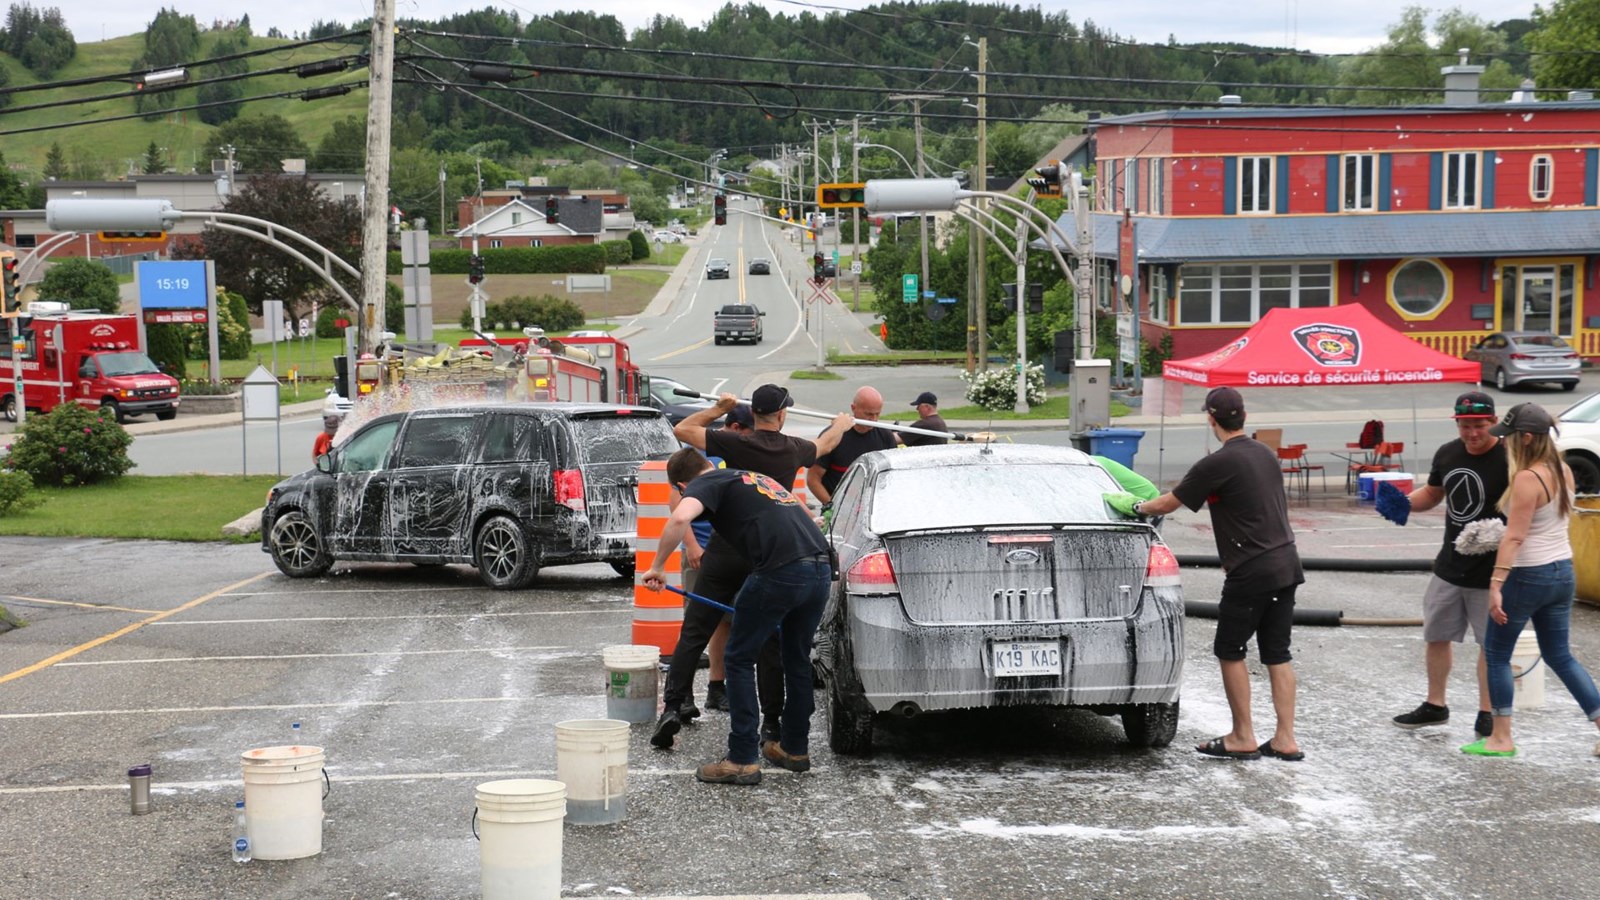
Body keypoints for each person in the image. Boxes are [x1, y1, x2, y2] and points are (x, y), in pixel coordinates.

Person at [1111, 386, 1304, 762]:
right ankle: (1285, 738)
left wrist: (1134, 505)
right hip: (1286, 563)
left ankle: (1243, 736)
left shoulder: (1216, 464)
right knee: (1277, 654)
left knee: (1229, 650)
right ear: (1244, 417)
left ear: (1211, 419)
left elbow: (1168, 503)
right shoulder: (1265, 454)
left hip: (1250, 570)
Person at [652, 385, 851, 750]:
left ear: (753, 414)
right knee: (769, 639)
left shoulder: (734, 443)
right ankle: (771, 724)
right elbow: (825, 446)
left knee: (697, 626)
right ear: (782, 415)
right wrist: (842, 423)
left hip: (725, 547)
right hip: (766, 553)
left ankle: (674, 705)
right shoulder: (793, 448)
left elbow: (683, 432)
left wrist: (718, 408)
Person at [643, 447, 835, 785]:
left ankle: (742, 757)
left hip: (780, 571)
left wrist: (657, 566)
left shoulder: (704, 484)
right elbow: (807, 516)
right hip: (819, 568)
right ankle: (794, 748)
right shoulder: (754, 477)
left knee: (739, 657)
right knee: (796, 657)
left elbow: (679, 518)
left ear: (683, 484)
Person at [1464, 403, 1600, 757]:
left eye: (1508, 436)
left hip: (1528, 574)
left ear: (1525, 438)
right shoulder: (1564, 469)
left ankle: (1501, 737)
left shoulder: (1527, 478)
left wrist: (1496, 584)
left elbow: (1515, 537)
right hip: (1562, 571)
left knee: (1496, 654)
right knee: (1560, 655)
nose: (1504, 443)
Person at [1384, 391, 1506, 737]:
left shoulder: (1510, 456)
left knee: (1491, 644)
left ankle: (1488, 711)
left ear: (1493, 422)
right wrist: (1404, 504)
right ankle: (1435, 705)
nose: (1472, 433)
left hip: (1493, 569)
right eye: (1465, 425)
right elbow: (1435, 493)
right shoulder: (1448, 452)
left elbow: (1528, 506)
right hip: (1450, 564)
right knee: (1437, 635)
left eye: (1479, 426)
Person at [673, 406, 753, 716]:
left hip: (730, 554)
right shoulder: (694, 456)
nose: (748, 438)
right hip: (701, 551)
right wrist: (692, 546)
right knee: (696, 626)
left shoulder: (737, 457)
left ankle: (716, 688)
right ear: (733, 427)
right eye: (745, 432)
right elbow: (676, 504)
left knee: (725, 624)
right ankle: (682, 697)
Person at [808, 386, 901, 508]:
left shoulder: (885, 436)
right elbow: (813, 479)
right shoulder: (835, 435)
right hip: (838, 510)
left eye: (877, 414)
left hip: (873, 509)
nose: (873, 419)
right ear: (853, 408)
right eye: (868, 414)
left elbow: (892, 478)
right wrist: (832, 507)